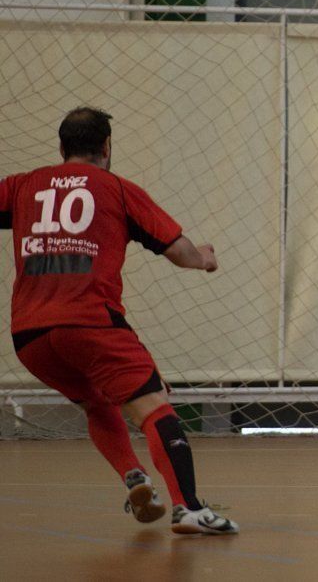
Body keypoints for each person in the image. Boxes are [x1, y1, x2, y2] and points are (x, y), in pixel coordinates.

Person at [0, 107, 239, 534]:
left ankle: (134, 475)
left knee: (96, 401)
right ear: (107, 148)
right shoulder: (118, 189)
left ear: (61, 148)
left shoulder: (22, 186)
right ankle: (189, 509)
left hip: (30, 337)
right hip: (90, 322)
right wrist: (203, 259)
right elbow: (176, 248)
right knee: (155, 407)